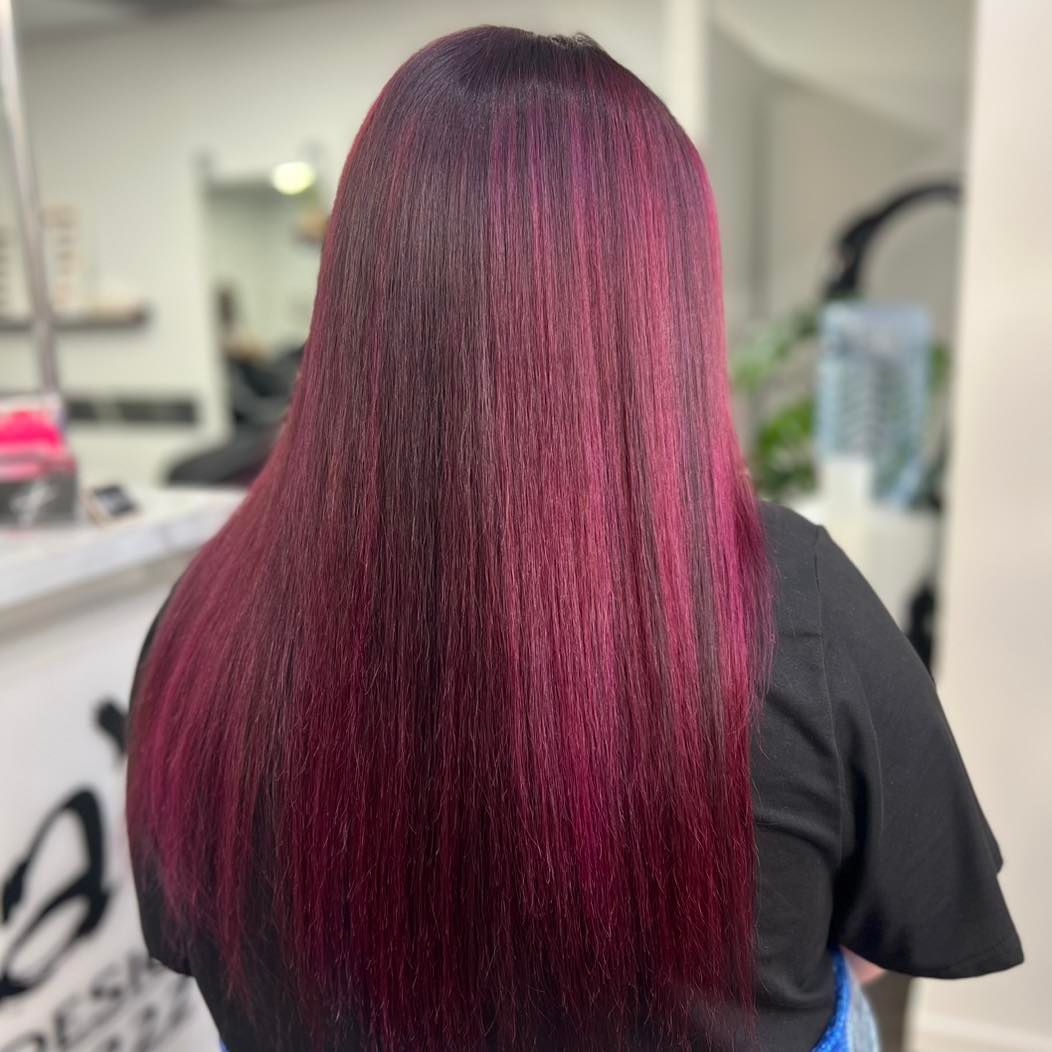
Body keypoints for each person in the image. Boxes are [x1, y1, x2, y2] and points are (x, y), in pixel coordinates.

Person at [126, 27, 1021, 1052]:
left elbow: (194, 934)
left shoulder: (201, 622)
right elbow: (878, 932)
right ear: (662, 304)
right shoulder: (793, 603)